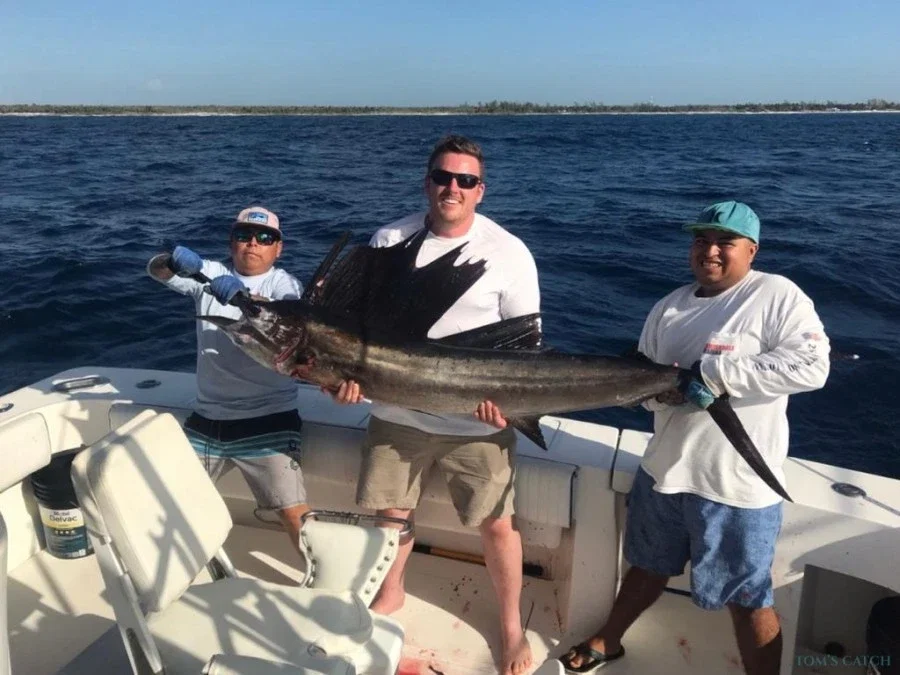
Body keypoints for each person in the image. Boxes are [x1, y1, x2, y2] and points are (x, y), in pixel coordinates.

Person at [558, 200, 830, 675]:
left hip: (735, 487)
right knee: (646, 567)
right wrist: (656, 395)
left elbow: (812, 367)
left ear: (752, 249)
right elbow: (642, 386)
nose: (711, 250)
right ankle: (608, 640)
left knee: (747, 598)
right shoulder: (669, 306)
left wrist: (714, 373)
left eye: (725, 242)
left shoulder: (776, 294)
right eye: (702, 240)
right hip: (664, 473)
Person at [330, 135, 540, 675]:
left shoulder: (509, 252)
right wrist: (340, 383)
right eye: (443, 177)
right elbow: (355, 336)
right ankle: (391, 592)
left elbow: (527, 351)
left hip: (477, 421)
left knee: (497, 525)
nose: (453, 188)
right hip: (396, 413)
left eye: (465, 180)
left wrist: (509, 404)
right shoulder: (390, 239)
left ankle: (511, 626)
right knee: (391, 515)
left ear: (480, 190)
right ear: (427, 183)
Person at [147, 206, 310, 555]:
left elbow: (289, 314)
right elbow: (156, 271)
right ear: (231, 242)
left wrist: (244, 298)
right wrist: (171, 261)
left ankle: (324, 576)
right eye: (244, 235)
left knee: (292, 512)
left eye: (265, 237)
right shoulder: (211, 274)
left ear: (278, 248)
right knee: (167, 500)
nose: (253, 243)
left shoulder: (285, 284)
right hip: (208, 419)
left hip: (269, 418)